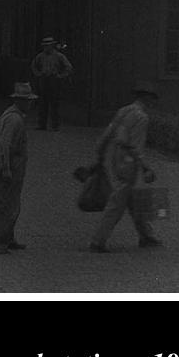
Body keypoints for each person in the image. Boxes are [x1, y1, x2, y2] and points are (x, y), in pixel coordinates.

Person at [89, 82, 162, 252]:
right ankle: (98, 240)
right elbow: (136, 146)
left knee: (134, 196)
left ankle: (147, 235)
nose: (152, 102)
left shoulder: (124, 111)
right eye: (151, 98)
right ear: (146, 98)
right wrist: (146, 167)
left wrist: (100, 153)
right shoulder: (142, 117)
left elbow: (108, 133)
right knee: (119, 199)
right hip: (129, 158)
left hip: (116, 154)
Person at [0, 82, 37, 254]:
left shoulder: (11, 115)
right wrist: (6, 168)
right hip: (10, 168)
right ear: (20, 101)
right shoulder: (14, 119)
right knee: (5, 205)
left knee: (12, 204)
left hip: (13, 167)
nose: (30, 103)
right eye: (27, 100)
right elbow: (3, 144)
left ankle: (8, 238)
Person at [30, 36, 73, 130]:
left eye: (48, 46)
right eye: (45, 46)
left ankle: (55, 125)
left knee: (54, 103)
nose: (46, 48)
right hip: (44, 79)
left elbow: (68, 67)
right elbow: (33, 66)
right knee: (42, 103)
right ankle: (42, 124)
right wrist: (38, 74)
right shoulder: (40, 56)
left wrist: (60, 76)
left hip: (54, 80)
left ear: (52, 46)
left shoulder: (59, 56)